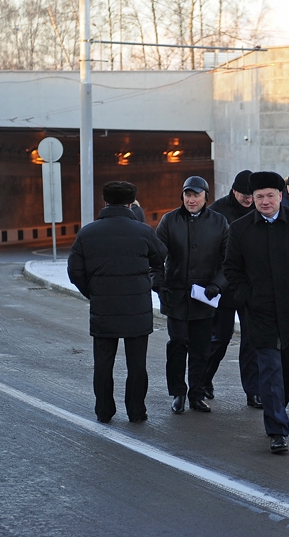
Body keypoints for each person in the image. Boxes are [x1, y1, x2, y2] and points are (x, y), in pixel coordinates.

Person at [223, 171, 289, 454]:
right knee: (269, 370)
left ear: (281, 196)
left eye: (270, 195)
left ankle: (277, 406)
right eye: (259, 197)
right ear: (252, 199)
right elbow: (231, 269)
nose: (265, 201)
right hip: (259, 311)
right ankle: (277, 429)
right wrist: (246, 296)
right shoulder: (241, 229)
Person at [68, 181, 166, 424]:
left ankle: (104, 410)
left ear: (104, 202)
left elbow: (74, 271)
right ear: (131, 203)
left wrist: (93, 292)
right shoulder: (143, 231)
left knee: (103, 364)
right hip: (138, 310)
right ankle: (136, 411)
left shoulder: (87, 233)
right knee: (136, 365)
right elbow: (160, 256)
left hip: (103, 309)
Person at [155, 176, 229, 415]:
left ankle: (197, 394)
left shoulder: (219, 222)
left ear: (206, 196)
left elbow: (228, 262)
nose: (191, 199)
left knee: (201, 347)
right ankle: (178, 393)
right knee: (177, 344)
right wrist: (158, 283)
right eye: (188, 195)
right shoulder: (170, 220)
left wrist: (217, 284)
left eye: (196, 195)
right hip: (175, 295)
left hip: (205, 297)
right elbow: (155, 257)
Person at [205, 170, 262, 408]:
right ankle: (203, 380)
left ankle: (253, 391)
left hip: (252, 287)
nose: (249, 199)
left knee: (251, 340)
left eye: (252, 195)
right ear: (234, 191)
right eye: (244, 195)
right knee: (220, 338)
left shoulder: (261, 209)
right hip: (226, 286)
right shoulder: (218, 212)